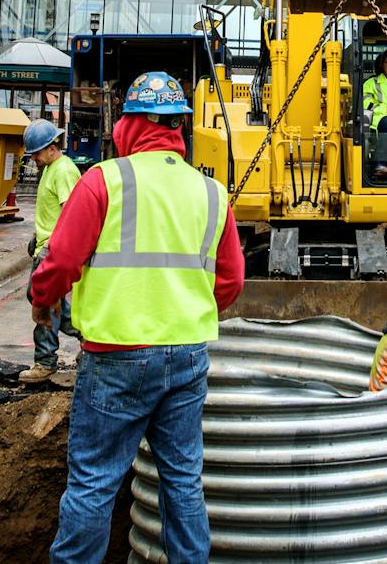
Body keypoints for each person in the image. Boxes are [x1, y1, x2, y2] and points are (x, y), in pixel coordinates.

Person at [30, 70, 245, 564]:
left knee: (93, 483)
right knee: (182, 482)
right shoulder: (212, 193)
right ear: (178, 128)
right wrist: (182, 305)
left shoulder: (103, 181)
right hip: (187, 357)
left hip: (115, 358)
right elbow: (230, 283)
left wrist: (43, 300)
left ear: (129, 124)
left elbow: (60, 263)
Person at [20, 119, 82, 384]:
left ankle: (45, 361)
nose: (33, 158)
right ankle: (86, 335)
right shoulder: (50, 168)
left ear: (51, 148)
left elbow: (72, 214)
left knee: (43, 302)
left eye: (36, 152)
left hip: (53, 248)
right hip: (47, 244)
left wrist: (53, 249)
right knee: (44, 299)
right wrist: (38, 236)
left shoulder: (64, 171)